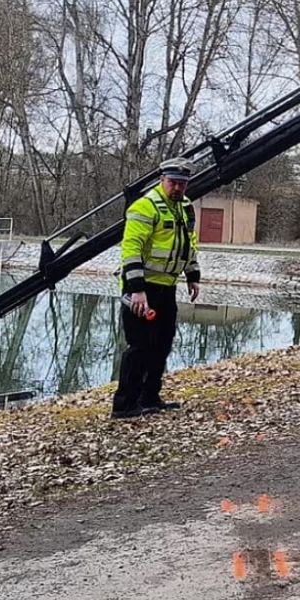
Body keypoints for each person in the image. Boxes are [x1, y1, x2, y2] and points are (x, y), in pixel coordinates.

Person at [113, 157, 202, 419]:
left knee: (162, 345)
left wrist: (193, 274)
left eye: (182, 184)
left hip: (167, 287)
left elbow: (189, 244)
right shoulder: (145, 206)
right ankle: (125, 405)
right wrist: (137, 289)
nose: (178, 188)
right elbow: (131, 250)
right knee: (139, 346)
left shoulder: (185, 207)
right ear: (162, 180)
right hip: (142, 288)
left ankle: (150, 397)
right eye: (173, 182)